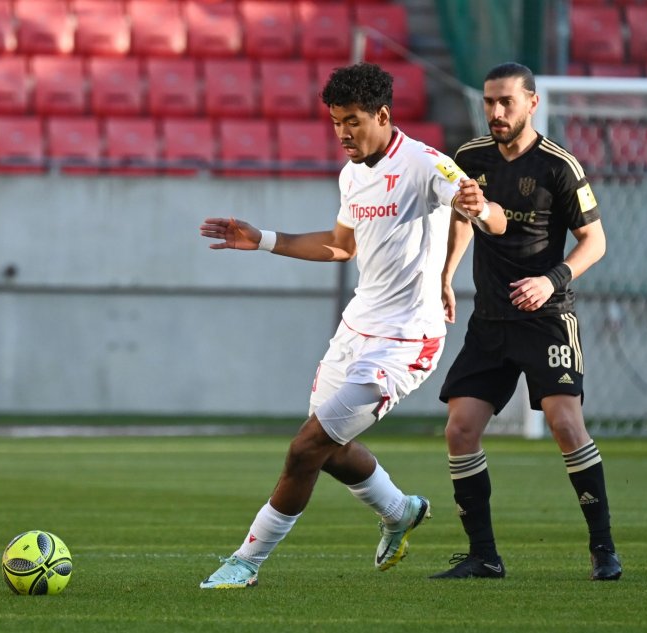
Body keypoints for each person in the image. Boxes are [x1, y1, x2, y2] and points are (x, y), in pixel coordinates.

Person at [197, 62, 507, 589]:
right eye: (336, 121)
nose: (342, 133)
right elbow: (342, 246)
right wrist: (263, 239)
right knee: (329, 449)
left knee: (305, 448)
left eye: (352, 121)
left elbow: (491, 218)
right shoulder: (352, 173)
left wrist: (480, 208)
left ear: (382, 115)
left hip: (406, 341)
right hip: (355, 331)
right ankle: (400, 511)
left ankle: (247, 561)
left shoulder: (427, 164)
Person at [432, 62, 621, 581]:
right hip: (490, 320)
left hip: (546, 318)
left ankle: (603, 548)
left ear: (532, 103)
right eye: (489, 101)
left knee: (565, 424)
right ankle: (484, 556)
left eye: (506, 102)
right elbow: (463, 215)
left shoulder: (560, 166)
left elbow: (596, 242)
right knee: (460, 430)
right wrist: (447, 274)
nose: (495, 111)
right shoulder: (470, 157)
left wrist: (550, 281)